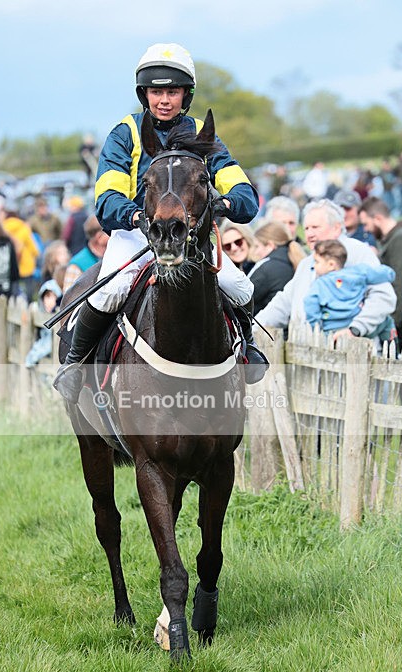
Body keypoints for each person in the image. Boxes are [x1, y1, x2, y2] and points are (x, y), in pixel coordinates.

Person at [54, 42, 266, 402]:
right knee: (109, 291)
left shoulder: (203, 134)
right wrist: (137, 216)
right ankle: (76, 365)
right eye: (156, 91)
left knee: (241, 287)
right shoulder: (126, 133)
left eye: (172, 91)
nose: (164, 99)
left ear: (186, 94)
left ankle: (247, 350)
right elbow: (107, 199)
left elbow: (245, 194)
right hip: (138, 234)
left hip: (191, 239)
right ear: (144, 94)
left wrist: (224, 203)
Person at [255, 199, 396, 346]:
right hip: (310, 354)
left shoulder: (357, 252)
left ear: (336, 228)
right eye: (307, 228)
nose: (309, 234)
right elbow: (283, 303)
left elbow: (383, 297)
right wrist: (253, 330)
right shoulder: (307, 263)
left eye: (315, 227)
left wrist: (355, 329)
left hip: (354, 352)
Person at [304, 239, 397, 343]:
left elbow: (310, 304)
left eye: (317, 262)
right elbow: (382, 274)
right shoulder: (358, 273)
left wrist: (314, 326)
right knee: (387, 321)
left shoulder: (319, 284)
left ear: (331, 265)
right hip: (354, 328)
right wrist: (390, 274)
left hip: (331, 331)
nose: (314, 266)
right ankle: (392, 347)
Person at [359, 197, 402, 350]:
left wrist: (391, 325)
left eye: (366, 224)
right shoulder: (390, 241)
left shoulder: (401, 240)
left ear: (378, 218)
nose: (365, 229)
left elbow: (400, 286)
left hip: (399, 319)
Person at [248, 222, 305, 315]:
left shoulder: (266, 268)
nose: (256, 252)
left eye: (257, 246)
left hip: (265, 325)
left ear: (270, 245)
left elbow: (244, 297)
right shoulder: (296, 262)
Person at [0, 205, 40, 302]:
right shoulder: (24, 228)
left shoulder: (2, 229)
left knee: (14, 288)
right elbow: (33, 248)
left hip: (11, 264)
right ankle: (29, 304)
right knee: (29, 289)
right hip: (26, 263)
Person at [62, 215, 109, 293]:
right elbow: (69, 299)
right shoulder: (77, 265)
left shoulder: (112, 256)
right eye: (109, 232)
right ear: (99, 237)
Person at [25, 279, 63, 368]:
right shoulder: (39, 315)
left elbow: (48, 345)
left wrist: (32, 357)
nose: (50, 301)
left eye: (54, 297)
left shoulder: (61, 318)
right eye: (47, 296)